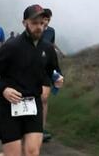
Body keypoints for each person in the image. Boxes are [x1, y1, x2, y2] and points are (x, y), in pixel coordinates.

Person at [0, 4, 64, 156]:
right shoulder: (11, 47)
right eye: (34, 23)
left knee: (32, 152)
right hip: (10, 106)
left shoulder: (47, 48)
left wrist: (57, 79)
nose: (39, 27)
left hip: (33, 105)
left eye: (42, 23)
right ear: (24, 23)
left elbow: (52, 70)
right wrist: (3, 89)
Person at [38, 8, 63, 142]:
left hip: (46, 68)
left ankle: (41, 128)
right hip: (32, 68)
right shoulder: (35, 29)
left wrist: (57, 72)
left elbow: (51, 45)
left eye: (49, 19)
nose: (46, 21)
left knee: (44, 98)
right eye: (45, 18)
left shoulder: (51, 31)